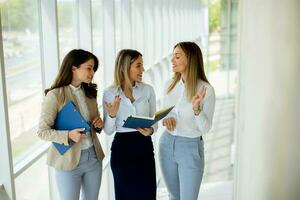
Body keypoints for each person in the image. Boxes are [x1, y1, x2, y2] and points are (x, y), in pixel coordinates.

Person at [37, 49, 105, 200]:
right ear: (74, 68)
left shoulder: (90, 92)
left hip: (93, 157)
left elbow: (96, 123)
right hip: (68, 161)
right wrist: (68, 135)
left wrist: (98, 124)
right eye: (89, 68)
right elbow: (42, 131)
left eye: (93, 68)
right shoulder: (55, 95)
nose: (92, 72)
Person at [159, 42, 216, 200]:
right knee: (173, 196)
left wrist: (196, 109)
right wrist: (167, 119)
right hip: (166, 144)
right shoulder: (169, 86)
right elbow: (164, 114)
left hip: (190, 148)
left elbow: (205, 128)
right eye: (173, 56)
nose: (172, 60)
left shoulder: (206, 90)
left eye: (177, 56)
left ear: (190, 59)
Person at [103, 49, 157, 200]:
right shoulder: (110, 92)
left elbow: (155, 122)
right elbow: (108, 130)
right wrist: (112, 115)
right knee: (125, 195)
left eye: (142, 65)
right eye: (138, 66)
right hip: (122, 150)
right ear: (125, 67)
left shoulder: (148, 90)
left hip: (144, 146)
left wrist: (151, 130)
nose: (143, 70)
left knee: (147, 195)